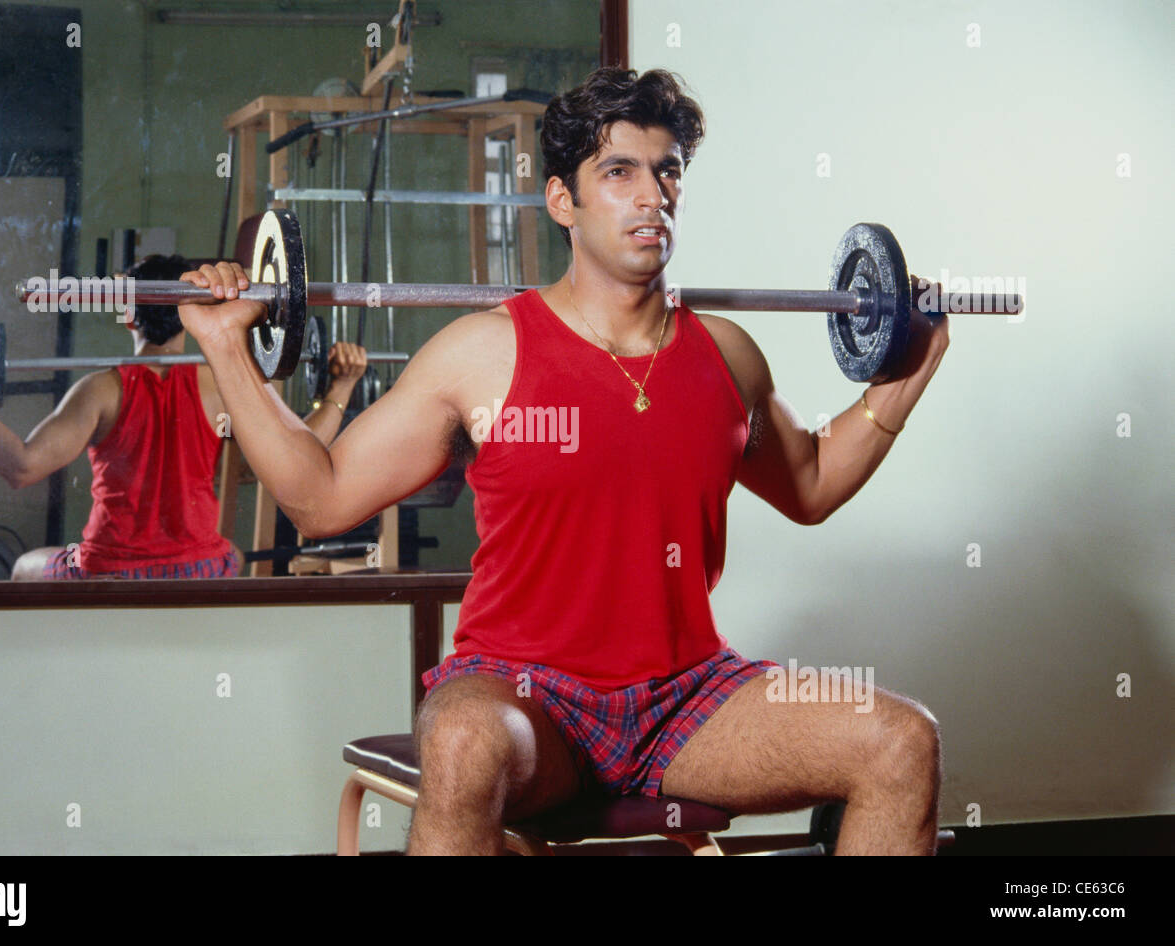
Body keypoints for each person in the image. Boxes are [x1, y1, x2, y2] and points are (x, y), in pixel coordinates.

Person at [176, 67, 950, 855]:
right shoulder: (482, 353)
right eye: (619, 173)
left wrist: (908, 371)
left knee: (900, 740)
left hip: (687, 698)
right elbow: (323, 497)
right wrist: (228, 348)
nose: (652, 196)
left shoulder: (727, 356)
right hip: (526, 698)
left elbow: (811, 482)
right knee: (462, 743)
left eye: (667, 170)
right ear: (562, 203)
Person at [0, 253, 369, 580]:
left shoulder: (101, 389)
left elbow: (21, 467)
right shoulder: (221, 384)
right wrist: (341, 388)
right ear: (193, 309)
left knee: (23, 566)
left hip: (107, 571)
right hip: (199, 568)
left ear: (128, 314)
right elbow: (303, 450)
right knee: (230, 555)